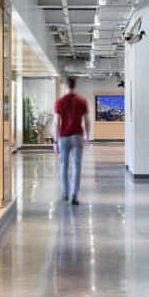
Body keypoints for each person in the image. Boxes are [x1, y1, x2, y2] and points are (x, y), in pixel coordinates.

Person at [54, 77, 92, 205]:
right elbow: (86, 120)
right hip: (77, 136)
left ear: (65, 86)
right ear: (75, 86)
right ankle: (74, 196)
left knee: (63, 165)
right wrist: (87, 136)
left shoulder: (59, 102)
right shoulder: (82, 101)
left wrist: (55, 141)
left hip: (63, 137)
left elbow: (56, 122)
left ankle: (65, 193)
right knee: (77, 166)